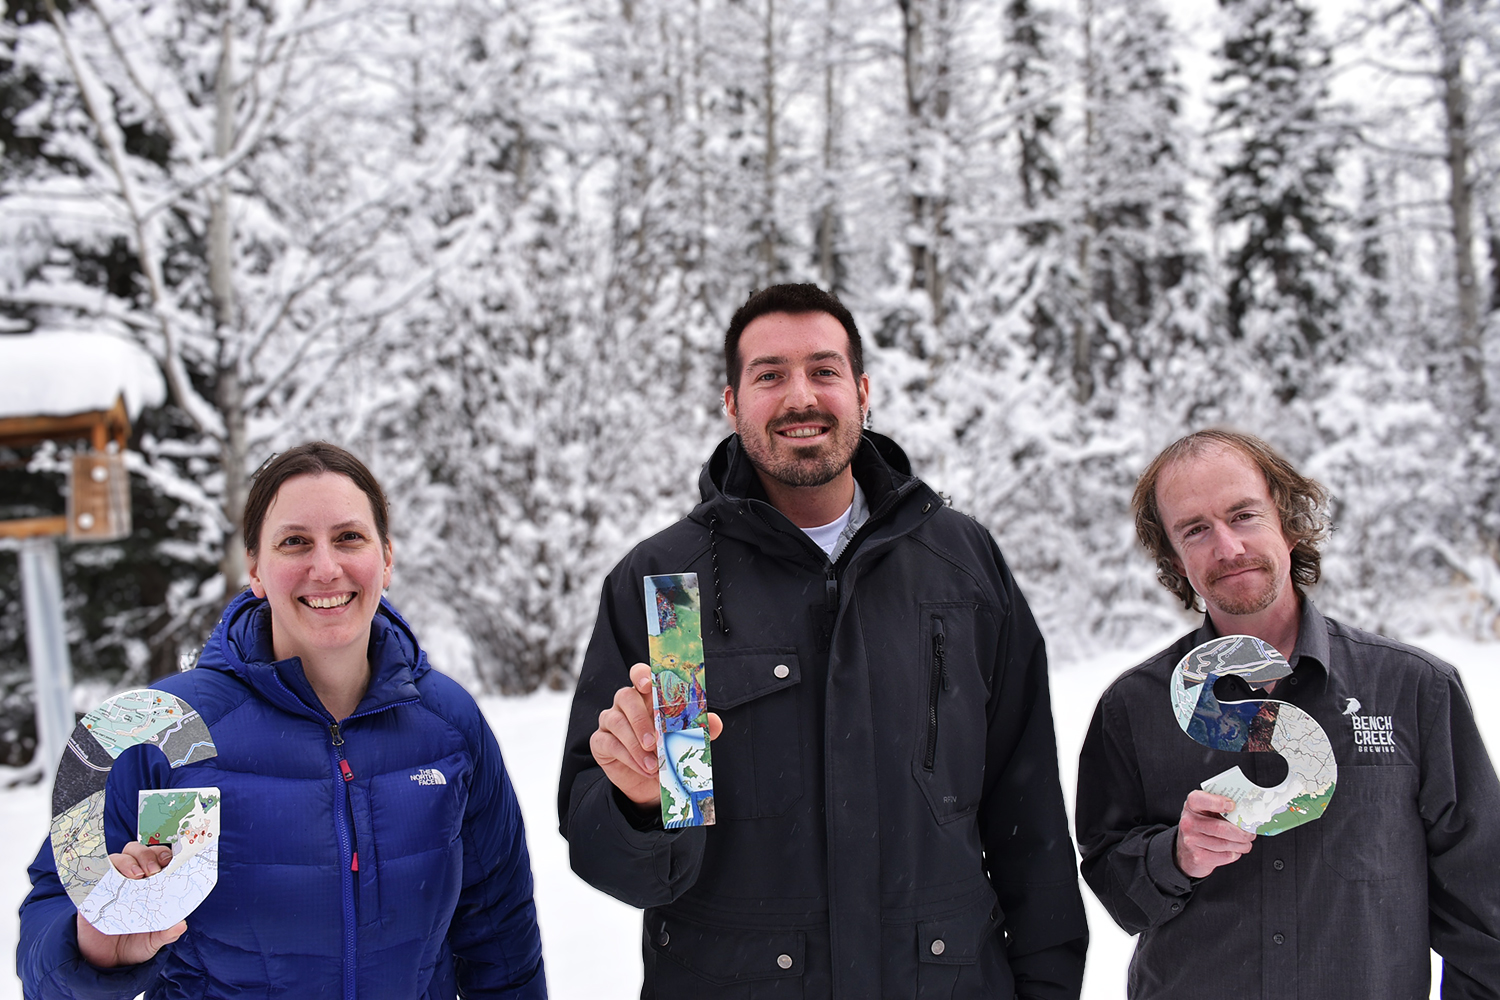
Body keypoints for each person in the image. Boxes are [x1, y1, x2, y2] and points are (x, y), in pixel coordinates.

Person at [557, 283, 1088, 998]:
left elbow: (1030, 821)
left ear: (863, 391)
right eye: (769, 375)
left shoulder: (959, 568)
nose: (800, 396)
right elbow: (625, 861)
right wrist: (642, 807)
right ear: (731, 403)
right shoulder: (670, 588)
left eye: (824, 371)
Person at [19, 442, 547, 999]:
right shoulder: (158, 727)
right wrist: (95, 948)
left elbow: (502, 941)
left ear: (386, 558)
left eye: (349, 537)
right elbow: (49, 931)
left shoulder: (448, 724)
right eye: (295, 542)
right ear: (256, 568)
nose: (326, 568)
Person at [1075, 428, 1500, 998]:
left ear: (1288, 521)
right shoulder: (1134, 707)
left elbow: (1484, 912)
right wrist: (1173, 855)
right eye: (1195, 530)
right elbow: (1110, 878)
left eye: (1243, 515)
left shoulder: (1414, 691)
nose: (1227, 548)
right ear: (1173, 556)